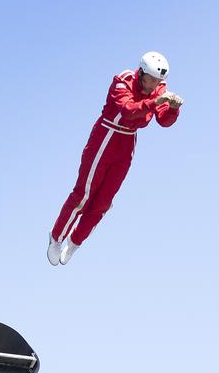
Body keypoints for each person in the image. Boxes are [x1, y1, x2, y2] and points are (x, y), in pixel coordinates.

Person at [47, 52, 183, 266]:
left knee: (103, 202)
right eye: (151, 80)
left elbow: (164, 120)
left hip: (127, 143)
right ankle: (57, 237)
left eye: (159, 81)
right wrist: (155, 101)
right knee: (84, 194)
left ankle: (75, 241)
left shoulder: (159, 89)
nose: (155, 85)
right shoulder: (123, 80)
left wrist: (173, 109)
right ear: (141, 74)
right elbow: (128, 111)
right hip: (106, 136)